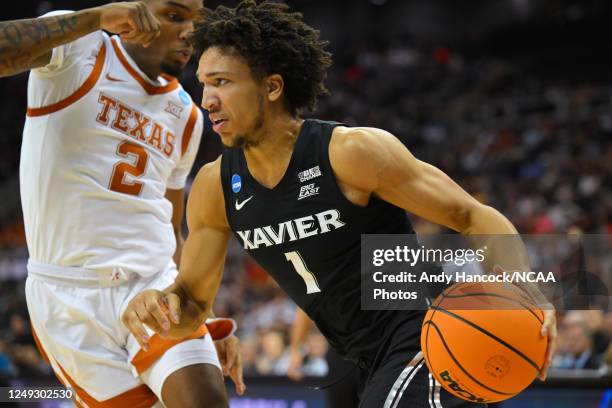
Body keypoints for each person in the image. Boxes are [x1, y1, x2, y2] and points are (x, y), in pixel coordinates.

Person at [122, 1, 558, 406]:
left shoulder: (349, 152)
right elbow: (193, 305)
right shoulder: (215, 185)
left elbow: (474, 215)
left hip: (427, 336)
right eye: (203, 84)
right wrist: (160, 305)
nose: (207, 99)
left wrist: (527, 288)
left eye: (222, 82)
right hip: (354, 357)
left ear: (272, 87)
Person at [1, 1, 244, 406]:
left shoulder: (186, 114)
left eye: (196, 23)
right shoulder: (79, 48)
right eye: (175, 15)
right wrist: (96, 18)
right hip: (68, 294)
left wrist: (203, 309)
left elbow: (170, 226)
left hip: (153, 282)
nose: (190, 33)